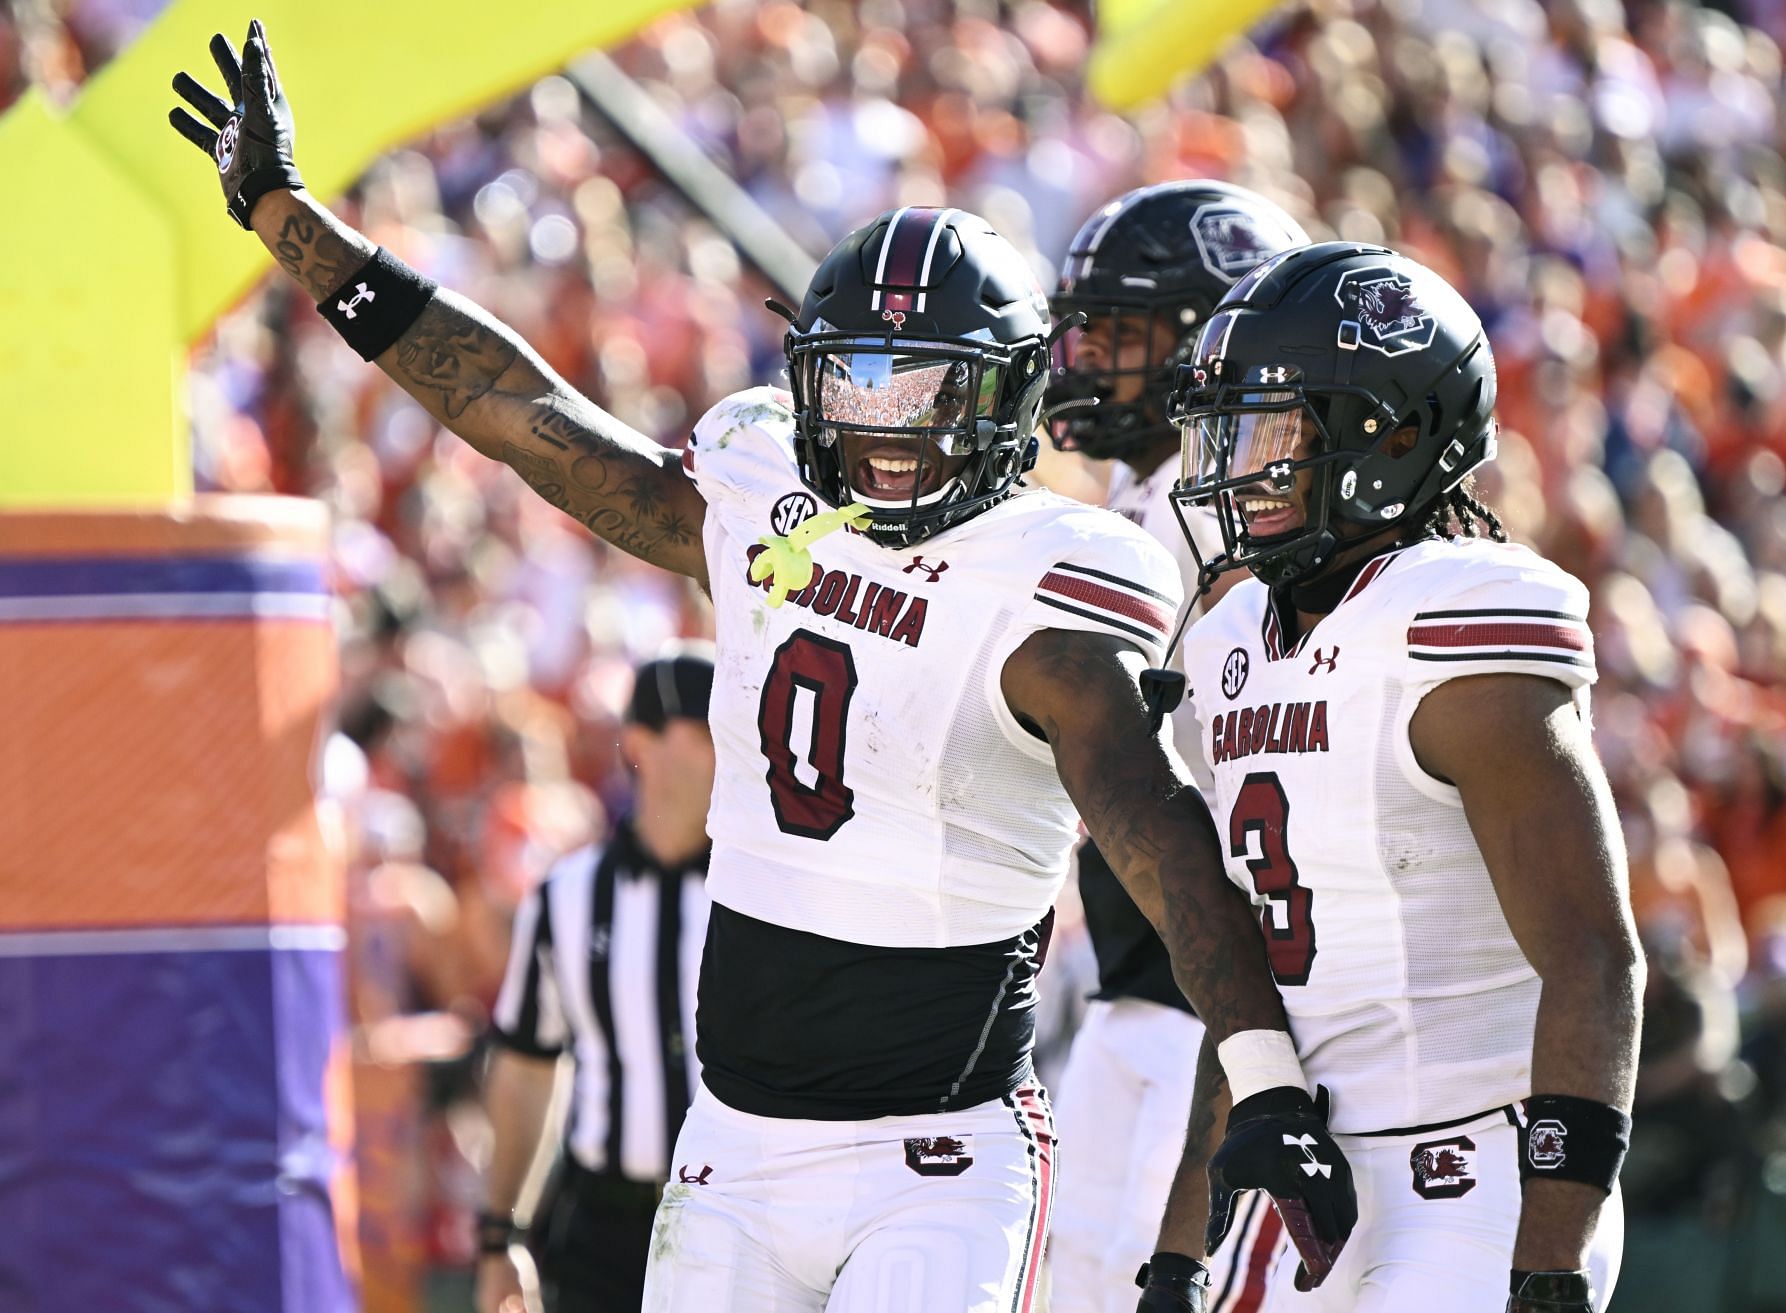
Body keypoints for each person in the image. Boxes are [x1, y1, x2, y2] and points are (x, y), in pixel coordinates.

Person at [170, 27, 1358, 1313]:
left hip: (938, 1155)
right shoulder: (762, 495)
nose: (881, 425)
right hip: (731, 1144)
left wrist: (1269, 1075)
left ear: (1008, 399)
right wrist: (300, 230)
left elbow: (1161, 838)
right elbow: (525, 419)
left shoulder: (1054, 576)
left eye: (926, 391)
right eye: (855, 380)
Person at [1135, 243, 1645, 1313]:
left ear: (1398, 433)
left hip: (1476, 1179)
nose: (1235, 467)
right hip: (1301, 1178)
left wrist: (1552, 1252)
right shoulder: (1231, 636)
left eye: (1274, 432)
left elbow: (1595, 958)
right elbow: (1254, 983)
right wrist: (1179, 1253)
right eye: (1226, 431)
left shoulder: (1454, 621)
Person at [1044, 180, 1309, 1313]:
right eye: (1086, 323)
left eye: (1122, 327)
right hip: (1147, 983)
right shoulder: (1154, 501)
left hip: (1204, 1000)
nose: (1088, 352)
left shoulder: (1212, 514)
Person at [476, 648, 718, 1313]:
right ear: (641, 744)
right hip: (604, 1227)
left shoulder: (761, 894)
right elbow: (526, 1067)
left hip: (736, 1223)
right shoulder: (567, 894)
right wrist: (502, 1233)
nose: (726, 753)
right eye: (703, 734)